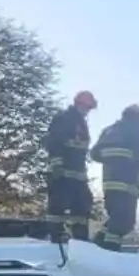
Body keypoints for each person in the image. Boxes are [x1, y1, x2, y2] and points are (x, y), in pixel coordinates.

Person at [90, 104, 139, 251]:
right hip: (127, 183)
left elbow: (94, 153)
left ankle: (97, 245)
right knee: (124, 221)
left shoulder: (108, 130)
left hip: (109, 184)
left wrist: (110, 158)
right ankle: (109, 249)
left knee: (116, 218)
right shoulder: (134, 130)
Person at [45, 91, 97, 241]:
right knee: (58, 205)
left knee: (82, 206)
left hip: (78, 173)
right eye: (87, 107)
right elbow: (54, 142)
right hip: (63, 171)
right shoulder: (64, 119)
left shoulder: (81, 122)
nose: (88, 111)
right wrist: (57, 165)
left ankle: (81, 238)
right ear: (79, 104)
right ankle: (56, 236)